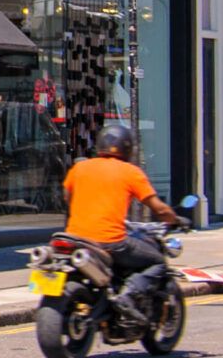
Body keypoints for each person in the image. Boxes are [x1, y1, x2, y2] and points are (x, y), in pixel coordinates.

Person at [63, 123, 182, 328]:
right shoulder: (130, 172)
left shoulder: (80, 167)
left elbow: (67, 197)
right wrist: (176, 219)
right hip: (110, 241)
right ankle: (128, 295)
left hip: (75, 238)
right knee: (158, 262)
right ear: (128, 148)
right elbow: (158, 209)